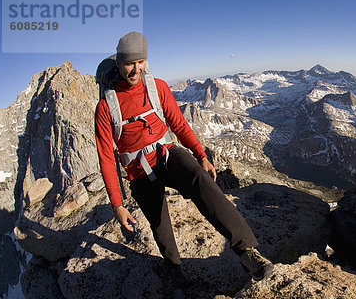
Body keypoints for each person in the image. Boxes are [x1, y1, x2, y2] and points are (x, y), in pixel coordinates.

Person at [94, 31, 273, 283]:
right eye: (129, 64)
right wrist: (117, 204)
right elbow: (105, 157)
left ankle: (247, 252)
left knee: (201, 180)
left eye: (140, 62)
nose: (135, 69)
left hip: (168, 155)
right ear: (119, 64)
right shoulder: (105, 106)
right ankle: (177, 276)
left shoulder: (157, 87)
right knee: (160, 226)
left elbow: (178, 125)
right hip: (139, 171)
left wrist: (201, 155)